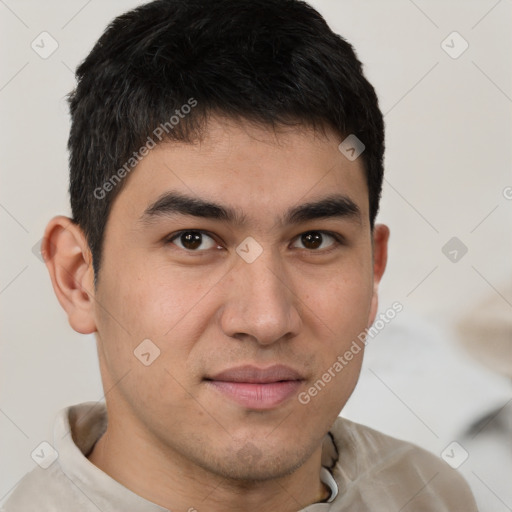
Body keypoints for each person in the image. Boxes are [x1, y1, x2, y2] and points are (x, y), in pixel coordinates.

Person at [2, 0, 479, 510]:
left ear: (373, 269)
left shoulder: (434, 495)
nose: (267, 319)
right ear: (78, 277)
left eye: (313, 240)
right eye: (193, 240)